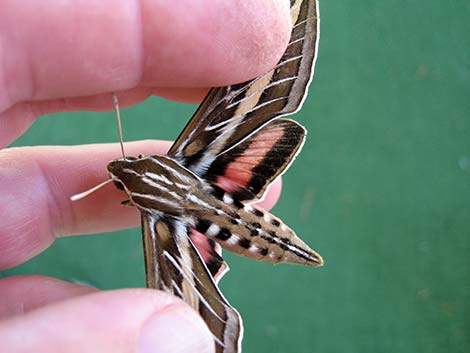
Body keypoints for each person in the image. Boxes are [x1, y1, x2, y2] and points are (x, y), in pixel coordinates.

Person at [0, 1, 291, 352]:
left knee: (182, 304)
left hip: (221, 219)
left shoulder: (159, 227)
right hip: (221, 190)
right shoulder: (190, 159)